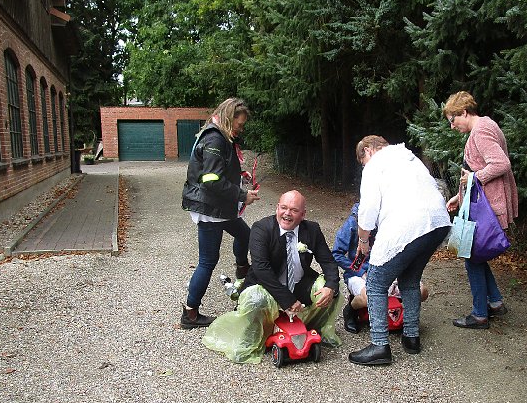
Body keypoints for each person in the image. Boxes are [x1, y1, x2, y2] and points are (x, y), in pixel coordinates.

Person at [202, 190, 342, 364]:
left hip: (299, 284)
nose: (287, 214)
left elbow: (328, 261)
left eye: (294, 210)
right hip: (267, 286)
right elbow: (262, 269)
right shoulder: (261, 228)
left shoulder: (312, 229)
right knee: (255, 299)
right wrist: (288, 300)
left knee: (331, 290)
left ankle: (316, 329)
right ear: (277, 208)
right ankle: (253, 339)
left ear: (303, 214)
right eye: (283, 207)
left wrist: (331, 285)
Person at [348, 136, 451, 366]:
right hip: (437, 223)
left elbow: (368, 208)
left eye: (362, 161)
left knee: (375, 283)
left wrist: (363, 241)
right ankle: (411, 337)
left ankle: (379, 345)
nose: (364, 165)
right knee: (410, 280)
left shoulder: (376, 164)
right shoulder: (409, 157)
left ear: (368, 150)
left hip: (409, 225)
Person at [180, 97, 260, 328]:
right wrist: (243, 195)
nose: (241, 128)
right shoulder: (215, 138)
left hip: (219, 208)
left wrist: (239, 176)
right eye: (240, 124)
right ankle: (190, 313)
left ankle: (242, 272)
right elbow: (211, 181)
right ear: (229, 118)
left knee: (246, 234)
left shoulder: (220, 135)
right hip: (210, 210)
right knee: (207, 261)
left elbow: (217, 171)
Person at [443, 91, 518, 329]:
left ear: (464, 112)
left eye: (452, 120)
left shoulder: (481, 130)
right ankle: (494, 302)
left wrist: (475, 179)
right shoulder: (485, 126)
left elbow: (501, 164)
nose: (451, 126)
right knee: (475, 254)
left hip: (487, 207)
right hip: (481, 203)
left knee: (471, 256)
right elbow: (475, 171)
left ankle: (479, 314)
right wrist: (459, 195)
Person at [332, 202, 429, 333]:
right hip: (360, 273)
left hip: (388, 271)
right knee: (368, 297)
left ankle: (401, 315)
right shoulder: (354, 222)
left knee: (422, 291)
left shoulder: (395, 220)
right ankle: (351, 309)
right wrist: (360, 271)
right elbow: (336, 254)